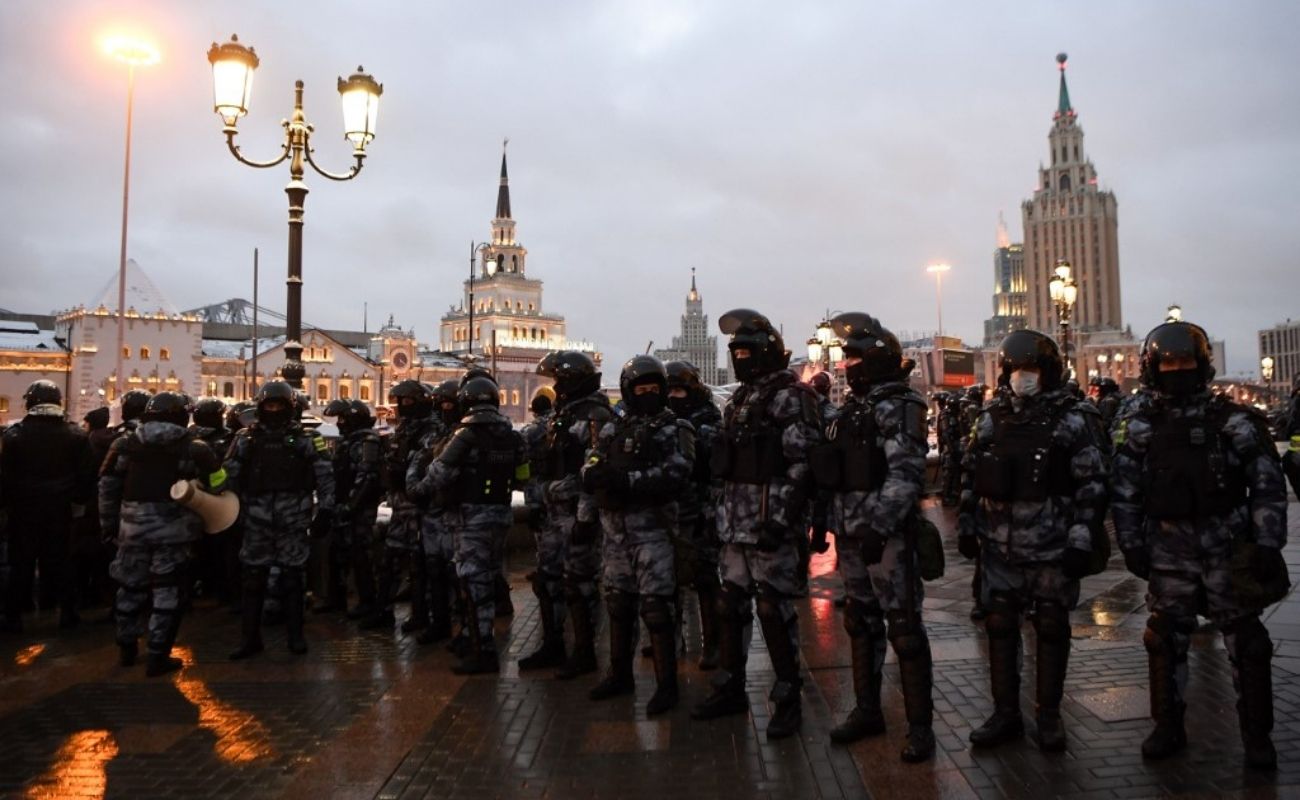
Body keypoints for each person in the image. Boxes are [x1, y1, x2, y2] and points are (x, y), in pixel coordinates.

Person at [1111, 321, 1288, 770]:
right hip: (1169, 550)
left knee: (1247, 643)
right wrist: (1131, 544)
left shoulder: (1234, 421)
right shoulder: (1140, 426)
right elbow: (1125, 491)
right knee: (1165, 639)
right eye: (1168, 363)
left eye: (1185, 362)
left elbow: (1266, 485)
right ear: (1153, 368)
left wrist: (1267, 543)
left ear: (1202, 364)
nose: (1177, 370)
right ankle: (1167, 725)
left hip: (1226, 546)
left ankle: (1257, 736)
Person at [958, 330, 1109, 752]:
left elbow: (1092, 484)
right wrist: (969, 525)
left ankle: (1048, 715)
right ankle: (1005, 713)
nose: (1023, 378)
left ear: (1049, 372)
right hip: (1000, 547)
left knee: (1050, 626)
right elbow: (971, 474)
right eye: (1015, 370)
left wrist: (1081, 539)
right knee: (1000, 625)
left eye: (1031, 370)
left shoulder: (1074, 418)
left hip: (1052, 546)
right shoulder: (991, 417)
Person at [691, 309, 822, 741]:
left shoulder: (791, 397)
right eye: (736, 351)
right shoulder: (743, 398)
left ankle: (787, 699)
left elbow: (803, 465)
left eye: (747, 351)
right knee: (731, 607)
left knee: (773, 609)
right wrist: (717, 516)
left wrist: (782, 520)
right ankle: (730, 688)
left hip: (770, 527)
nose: (741, 358)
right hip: (735, 526)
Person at [814, 313, 935, 762]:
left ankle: (920, 728)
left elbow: (905, 475)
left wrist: (880, 527)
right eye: (847, 358)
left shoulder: (900, 406)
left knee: (903, 629)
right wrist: (824, 525)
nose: (849, 366)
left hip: (886, 541)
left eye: (857, 358)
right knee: (859, 624)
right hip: (850, 535)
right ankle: (868, 710)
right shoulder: (852, 410)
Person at [582, 356, 694, 713]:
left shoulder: (674, 428)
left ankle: (667, 685)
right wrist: (593, 475)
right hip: (615, 532)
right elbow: (594, 459)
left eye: (653, 388)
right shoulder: (616, 427)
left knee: (657, 608)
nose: (647, 394)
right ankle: (619, 675)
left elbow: (677, 474)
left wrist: (627, 481)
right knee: (619, 603)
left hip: (653, 531)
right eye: (640, 388)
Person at [100, 392, 224, 675]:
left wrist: (109, 525)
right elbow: (219, 483)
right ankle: (158, 653)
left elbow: (106, 488)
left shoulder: (124, 445)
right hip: (174, 532)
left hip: (131, 529)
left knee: (129, 587)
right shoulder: (195, 448)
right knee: (167, 591)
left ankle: (126, 648)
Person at [414, 375, 527, 673]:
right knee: (487, 578)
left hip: (469, 518)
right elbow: (524, 475)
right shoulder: (512, 435)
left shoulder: (465, 435)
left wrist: (418, 490)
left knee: (472, 582)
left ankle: (483, 651)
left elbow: (439, 473)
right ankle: (471, 638)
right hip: (500, 515)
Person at [223, 380, 335, 659]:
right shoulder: (245, 438)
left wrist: (326, 510)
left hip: (293, 518)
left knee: (293, 578)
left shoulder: (307, 438)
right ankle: (250, 638)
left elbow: (324, 474)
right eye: (269, 405)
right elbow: (230, 475)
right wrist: (231, 511)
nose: (273, 410)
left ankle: (295, 636)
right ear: (261, 408)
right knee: (253, 579)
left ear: (289, 408)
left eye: (278, 405)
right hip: (256, 518)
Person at [529, 351, 613, 678]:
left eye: (560, 380)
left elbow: (595, 468)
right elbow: (544, 462)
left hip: (577, 512)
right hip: (553, 513)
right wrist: (538, 502)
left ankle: (584, 651)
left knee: (580, 583)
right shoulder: (562, 414)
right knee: (547, 580)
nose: (556, 386)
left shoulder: (595, 415)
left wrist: (586, 517)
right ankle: (552, 644)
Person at [0, 381, 94, 633]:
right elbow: (87, 476)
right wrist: (77, 501)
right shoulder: (76, 435)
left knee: (21, 563)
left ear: (30, 402)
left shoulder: (13, 435)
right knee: (62, 562)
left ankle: (14, 616)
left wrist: (7, 505)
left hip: (23, 510)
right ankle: (68, 613)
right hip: (61, 509)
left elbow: (4, 477)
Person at [363, 380, 441, 632]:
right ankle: (382, 611)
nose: (402, 406)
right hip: (399, 504)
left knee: (420, 565)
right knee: (390, 560)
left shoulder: (432, 430)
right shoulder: (403, 429)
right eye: (400, 401)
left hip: (420, 507)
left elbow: (427, 466)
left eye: (407, 401)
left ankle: (421, 616)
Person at [665, 360, 724, 669]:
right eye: (669, 390)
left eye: (679, 390)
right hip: (671, 510)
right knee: (668, 578)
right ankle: (672, 640)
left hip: (701, 508)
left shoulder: (708, 418)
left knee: (705, 578)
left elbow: (711, 464)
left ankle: (713, 643)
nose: (674, 396)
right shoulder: (662, 419)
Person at [405, 380, 461, 645]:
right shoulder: (436, 435)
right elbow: (419, 461)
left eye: (450, 403)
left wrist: (421, 486)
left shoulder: (466, 435)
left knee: (458, 574)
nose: (445, 408)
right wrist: (415, 487)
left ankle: (465, 630)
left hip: (456, 513)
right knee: (434, 570)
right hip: (432, 512)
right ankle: (439, 623)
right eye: (442, 404)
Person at [316, 399, 383, 619]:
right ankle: (336, 599)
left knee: (360, 555)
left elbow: (366, 477)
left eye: (343, 419)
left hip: (359, 510)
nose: (340, 423)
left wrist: (351, 506)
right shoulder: (348, 441)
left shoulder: (367, 441)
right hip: (343, 506)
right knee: (336, 552)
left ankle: (368, 601)